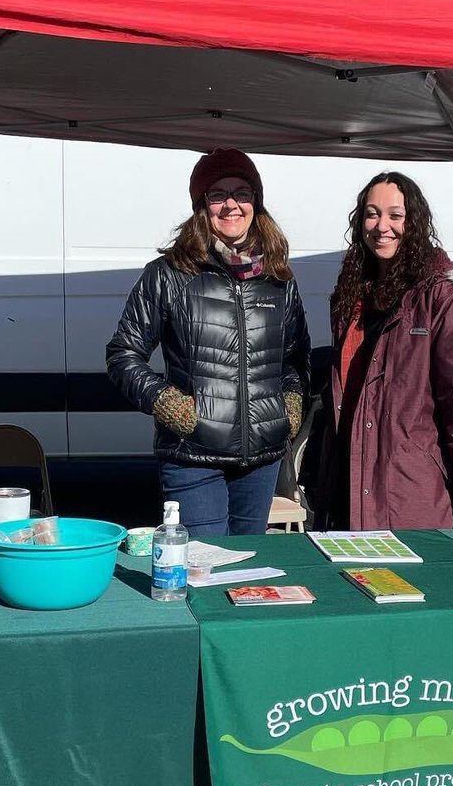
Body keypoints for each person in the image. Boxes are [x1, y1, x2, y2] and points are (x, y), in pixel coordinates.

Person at [106, 148, 310, 536]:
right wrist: (168, 403)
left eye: (242, 192)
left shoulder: (279, 277)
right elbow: (123, 354)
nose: (231, 204)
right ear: (202, 204)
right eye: (218, 194)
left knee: (249, 567)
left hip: (262, 458)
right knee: (205, 564)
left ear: (256, 202)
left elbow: (295, 358)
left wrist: (291, 404)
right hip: (192, 455)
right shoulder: (168, 274)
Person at [313, 171, 453, 532]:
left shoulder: (443, 297)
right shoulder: (352, 292)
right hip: (346, 480)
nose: (382, 226)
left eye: (395, 215)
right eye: (372, 214)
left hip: (408, 491)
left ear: (413, 221)